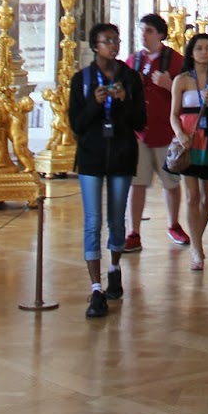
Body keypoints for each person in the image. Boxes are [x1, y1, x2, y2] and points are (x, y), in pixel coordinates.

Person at [68, 22, 146, 318]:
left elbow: (140, 121)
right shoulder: (82, 80)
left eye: (116, 40)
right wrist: (95, 103)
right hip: (91, 157)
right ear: (95, 46)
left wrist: (124, 102)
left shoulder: (130, 78)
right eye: (107, 41)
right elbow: (76, 124)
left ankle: (114, 268)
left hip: (123, 155)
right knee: (92, 221)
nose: (113, 45)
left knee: (116, 218)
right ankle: (96, 287)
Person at [124, 13, 188, 252]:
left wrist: (169, 85)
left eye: (149, 30)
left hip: (166, 131)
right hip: (139, 132)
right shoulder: (132, 61)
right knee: (137, 183)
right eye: (141, 30)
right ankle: (134, 232)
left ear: (160, 34)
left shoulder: (176, 61)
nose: (143, 34)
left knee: (171, 182)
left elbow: (188, 94)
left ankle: (174, 224)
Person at [169, 32, 208, 270]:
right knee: (192, 195)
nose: (204, 52)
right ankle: (197, 249)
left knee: (207, 197)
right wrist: (180, 134)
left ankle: (197, 237)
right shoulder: (182, 80)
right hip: (189, 139)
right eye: (199, 48)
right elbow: (174, 114)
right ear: (191, 52)